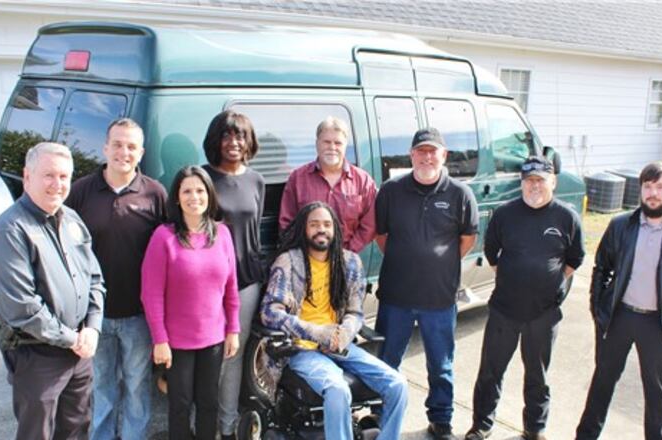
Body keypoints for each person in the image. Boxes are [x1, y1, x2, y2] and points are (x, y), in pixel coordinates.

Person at [576, 161, 662, 440]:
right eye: (647, 186)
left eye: (660, 187)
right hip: (619, 318)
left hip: (659, 325)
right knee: (602, 383)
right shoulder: (621, 225)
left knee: (656, 391)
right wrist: (598, 311)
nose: (653, 193)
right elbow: (601, 268)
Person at [0, 142, 105, 440]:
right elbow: (23, 308)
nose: (57, 184)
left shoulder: (72, 220)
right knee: (37, 433)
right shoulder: (10, 231)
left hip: (79, 352)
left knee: (76, 429)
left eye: (64, 177)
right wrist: (72, 338)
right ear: (27, 177)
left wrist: (93, 327)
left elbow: (95, 279)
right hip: (36, 355)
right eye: (48, 175)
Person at [261, 201, 408, 440]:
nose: (321, 229)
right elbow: (270, 312)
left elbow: (355, 312)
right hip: (302, 349)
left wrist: (346, 332)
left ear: (335, 230)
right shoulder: (288, 263)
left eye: (327, 224)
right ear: (304, 229)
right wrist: (316, 332)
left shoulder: (349, 263)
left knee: (398, 385)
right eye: (314, 224)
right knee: (337, 389)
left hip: (341, 346)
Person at [464, 156, 585, 440]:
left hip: (544, 313)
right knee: (490, 371)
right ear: (521, 183)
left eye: (540, 180)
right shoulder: (505, 214)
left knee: (537, 376)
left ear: (552, 182)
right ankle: (482, 424)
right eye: (529, 181)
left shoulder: (567, 217)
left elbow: (575, 259)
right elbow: (492, 253)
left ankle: (535, 428)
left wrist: (550, 282)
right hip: (504, 309)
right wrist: (515, 278)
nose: (534, 186)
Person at [374, 127, 479, 440]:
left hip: (439, 298)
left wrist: (436, 264)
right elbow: (383, 238)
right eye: (421, 151)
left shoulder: (461, 195)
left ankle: (441, 419)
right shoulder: (391, 191)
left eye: (433, 151)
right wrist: (412, 259)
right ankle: (382, 414)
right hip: (396, 296)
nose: (427, 157)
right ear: (411, 155)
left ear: (444, 155)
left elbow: (467, 239)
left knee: (441, 365)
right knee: (387, 362)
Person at [65, 118, 167, 440]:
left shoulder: (155, 194)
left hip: (138, 314)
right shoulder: (81, 191)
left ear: (141, 153)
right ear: (106, 147)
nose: (124, 152)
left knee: (137, 388)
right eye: (118, 144)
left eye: (131, 146)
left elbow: (167, 253)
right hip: (94, 316)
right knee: (103, 387)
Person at [141, 166, 240, 440]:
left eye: (199, 190)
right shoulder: (164, 237)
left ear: (209, 195)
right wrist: (160, 340)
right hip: (177, 343)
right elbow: (151, 294)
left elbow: (231, 287)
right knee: (180, 405)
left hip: (214, 339)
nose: (193, 197)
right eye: (187, 191)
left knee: (209, 404)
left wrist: (233, 329)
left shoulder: (222, 235)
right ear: (177, 197)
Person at [200, 110, 265, 440]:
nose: (233, 142)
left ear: (249, 141)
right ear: (215, 140)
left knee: (234, 355)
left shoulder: (256, 180)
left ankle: (226, 427)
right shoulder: (203, 179)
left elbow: (252, 232)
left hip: (246, 283)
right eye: (226, 135)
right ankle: (205, 426)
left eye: (240, 136)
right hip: (209, 285)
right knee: (209, 355)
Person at [279, 116, 377, 253]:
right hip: (307, 263)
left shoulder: (363, 181)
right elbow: (287, 223)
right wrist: (304, 255)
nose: (332, 147)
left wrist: (348, 252)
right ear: (317, 143)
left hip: (346, 262)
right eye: (326, 142)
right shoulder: (298, 179)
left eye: (338, 143)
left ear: (345, 145)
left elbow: (370, 224)